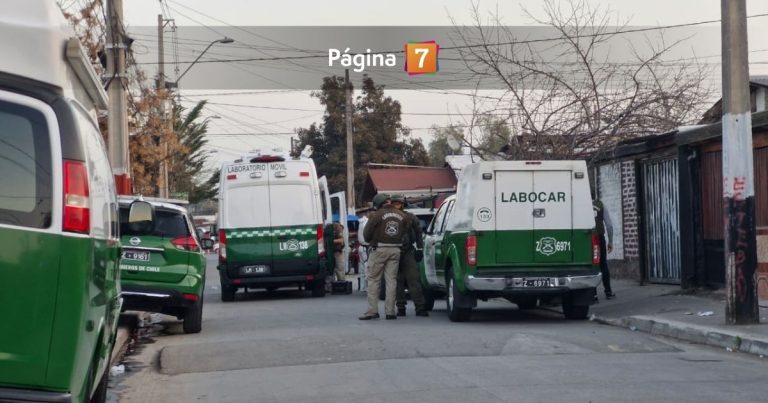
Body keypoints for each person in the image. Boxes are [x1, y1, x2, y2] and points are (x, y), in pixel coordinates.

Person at [359, 193, 409, 320]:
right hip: (396, 250)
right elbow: (405, 231)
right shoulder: (402, 215)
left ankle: (372, 311)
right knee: (391, 281)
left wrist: (372, 240)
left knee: (373, 280)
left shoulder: (376, 215)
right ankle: (390, 312)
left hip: (379, 249)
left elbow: (366, 234)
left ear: (378, 203)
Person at [391, 195, 429, 317]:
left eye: (399, 203)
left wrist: (420, 249)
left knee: (414, 281)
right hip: (393, 251)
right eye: (395, 203)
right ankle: (401, 307)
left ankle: (420, 307)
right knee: (398, 282)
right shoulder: (389, 218)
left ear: (403, 204)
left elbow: (418, 234)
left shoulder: (410, 217)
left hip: (408, 252)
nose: (397, 205)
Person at [593, 194, 616, 300]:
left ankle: (593, 295)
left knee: (591, 266)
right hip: (599, 238)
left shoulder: (581, 204)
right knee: (603, 264)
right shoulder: (601, 204)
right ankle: (608, 292)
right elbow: (609, 226)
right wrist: (610, 241)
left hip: (586, 238)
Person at [357, 210, 370, 292]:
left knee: (362, 268)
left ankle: (363, 287)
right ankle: (368, 287)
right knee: (367, 267)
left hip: (361, 247)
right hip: (366, 247)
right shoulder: (366, 223)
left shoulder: (361, 223)